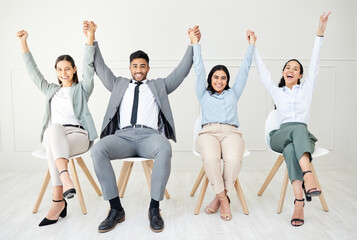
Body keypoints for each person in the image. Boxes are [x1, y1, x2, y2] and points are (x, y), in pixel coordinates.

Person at [83, 21, 200, 233]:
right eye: (135, 66)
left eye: (142, 66)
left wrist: (192, 44)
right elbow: (100, 66)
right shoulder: (118, 84)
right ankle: (115, 208)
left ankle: (154, 209)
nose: (139, 70)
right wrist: (91, 38)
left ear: (148, 68)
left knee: (164, 147)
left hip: (149, 137)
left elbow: (181, 71)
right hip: (123, 137)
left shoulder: (158, 86)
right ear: (130, 68)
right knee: (99, 149)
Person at [16, 22, 98, 227]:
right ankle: (64, 182)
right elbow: (32, 72)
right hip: (55, 137)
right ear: (56, 71)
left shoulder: (82, 89)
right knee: (53, 130)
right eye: (60, 69)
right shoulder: (50, 90)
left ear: (73, 69)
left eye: (68, 69)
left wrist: (90, 37)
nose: (64, 73)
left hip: (77, 136)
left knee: (53, 140)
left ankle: (57, 200)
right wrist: (23, 43)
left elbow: (89, 68)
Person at [253, 12, 331, 227]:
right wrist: (253, 46)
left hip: (300, 139)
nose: (291, 70)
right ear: (284, 72)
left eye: (295, 69)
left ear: (300, 76)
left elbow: (315, 60)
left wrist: (320, 32)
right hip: (280, 135)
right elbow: (262, 72)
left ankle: (298, 202)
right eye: (288, 67)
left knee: (291, 148)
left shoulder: (307, 89)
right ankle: (308, 175)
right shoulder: (277, 92)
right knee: (296, 131)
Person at [192, 27, 255, 221]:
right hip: (208, 133)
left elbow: (245, 69)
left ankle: (218, 199)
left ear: (227, 80)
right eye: (216, 77)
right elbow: (199, 68)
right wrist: (196, 44)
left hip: (231, 133)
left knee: (234, 160)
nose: (219, 80)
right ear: (211, 79)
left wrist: (251, 46)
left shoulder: (233, 93)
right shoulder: (203, 93)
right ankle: (224, 199)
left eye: (223, 78)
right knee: (210, 159)